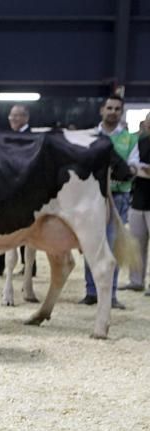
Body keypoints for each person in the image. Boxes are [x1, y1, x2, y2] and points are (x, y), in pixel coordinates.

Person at [81, 94, 139, 307]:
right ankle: (91, 292)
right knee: (90, 244)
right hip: (91, 198)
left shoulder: (129, 139)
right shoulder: (89, 136)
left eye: (117, 109)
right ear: (102, 111)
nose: (113, 112)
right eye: (110, 108)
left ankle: (110, 295)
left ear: (121, 113)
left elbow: (133, 166)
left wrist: (121, 170)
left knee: (111, 246)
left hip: (117, 197)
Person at [0, 104, 34, 278]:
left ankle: (23, 266)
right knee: (13, 228)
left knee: (18, 229)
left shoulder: (31, 137)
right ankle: (4, 265)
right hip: (12, 188)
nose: (13, 119)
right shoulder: (10, 135)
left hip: (25, 189)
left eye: (17, 116)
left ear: (26, 118)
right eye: (11, 116)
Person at [125, 115, 150, 294]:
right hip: (138, 200)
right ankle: (136, 280)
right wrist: (143, 169)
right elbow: (131, 164)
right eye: (149, 120)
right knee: (136, 243)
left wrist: (140, 169)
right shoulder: (140, 141)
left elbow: (136, 167)